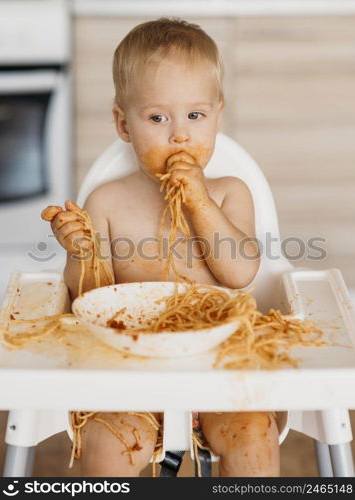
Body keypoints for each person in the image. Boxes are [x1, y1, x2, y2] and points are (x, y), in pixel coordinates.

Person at [48, 18, 282, 477]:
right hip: (127, 368)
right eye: (157, 118)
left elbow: (239, 274)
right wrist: (80, 253)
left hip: (222, 365)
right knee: (106, 444)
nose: (180, 135)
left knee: (254, 436)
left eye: (195, 116)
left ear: (218, 113)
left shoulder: (230, 192)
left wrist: (197, 199)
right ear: (123, 124)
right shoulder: (107, 202)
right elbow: (85, 297)